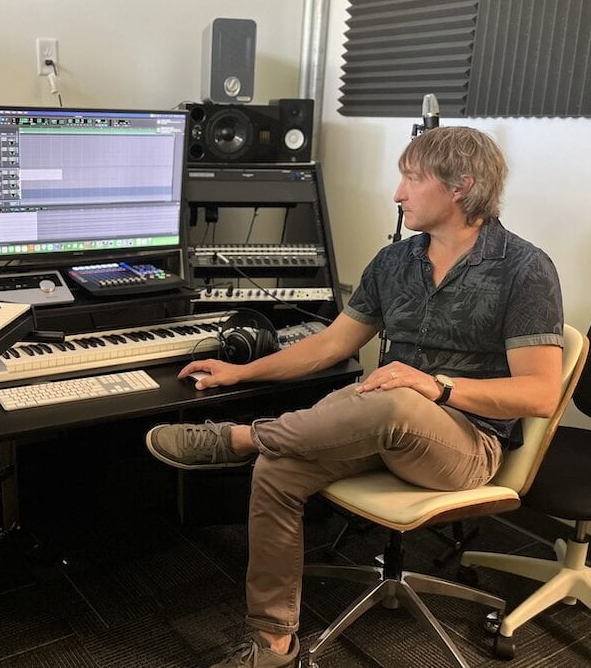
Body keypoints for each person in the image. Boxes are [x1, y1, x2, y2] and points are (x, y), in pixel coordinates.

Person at [145, 126, 564, 668]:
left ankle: (243, 438)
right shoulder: (394, 262)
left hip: (467, 444)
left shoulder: (525, 268)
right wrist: (240, 372)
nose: (397, 193)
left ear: (461, 185)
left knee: (395, 397)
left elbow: (540, 393)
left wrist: (437, 387)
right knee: (277, 469)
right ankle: (273, 643)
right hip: (387, 426)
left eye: (411, 179)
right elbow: (330, 345)